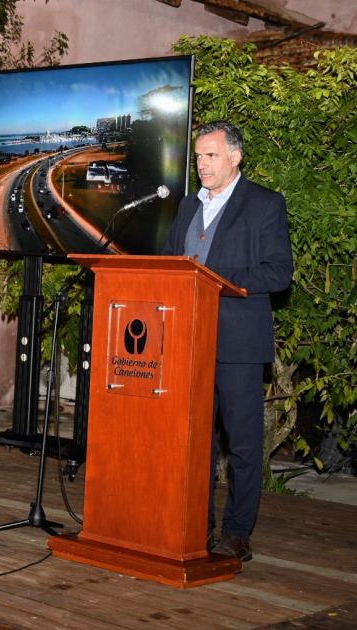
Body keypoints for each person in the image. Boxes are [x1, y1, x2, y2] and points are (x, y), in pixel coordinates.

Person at [162, 121, 293, 561]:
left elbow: (279, 272)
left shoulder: (264, 204)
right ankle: (197, 527)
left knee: (241, 444)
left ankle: (237, 533)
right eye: (198, 156)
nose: (202, 164)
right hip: (187, 340)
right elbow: (168, 263)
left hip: (237, 343)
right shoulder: (185, 207)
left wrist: (220, 280)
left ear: (235, 157)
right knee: (193, 442)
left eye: (211, 155)